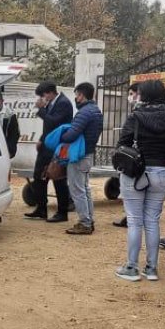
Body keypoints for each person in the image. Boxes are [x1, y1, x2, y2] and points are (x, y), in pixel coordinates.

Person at [114, 80, 165, 282]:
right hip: (161, 171)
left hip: (136, 173)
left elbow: (122, 143)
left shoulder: (135, 116)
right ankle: (151, 268)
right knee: (152, 221)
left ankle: (131, 267)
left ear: (144, 95)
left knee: (134, 220)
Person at [25, 82, 73, 221]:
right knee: (39, 176)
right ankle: (41, 209)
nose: (43, 98)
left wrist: (41, 110)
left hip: (59, 147)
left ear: (50, 92)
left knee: (58, 178)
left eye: (43, 95)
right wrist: (41, 139)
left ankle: (62, 212)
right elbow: (48, 127)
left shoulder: (63, 103)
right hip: (47, 146)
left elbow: (53, 122)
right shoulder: (52, 103)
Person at [61, 82, 104, 235]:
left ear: (82, 95)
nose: (76, 98)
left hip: (79, 155)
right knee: (85, 189)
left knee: (77, 190)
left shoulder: (85, 112)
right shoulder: (96, 110)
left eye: (77, 94)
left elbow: (72, 134)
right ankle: (88, 220)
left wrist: (62, 135)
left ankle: (85, 223)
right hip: (88, 153)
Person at [113, 82, 143, 229]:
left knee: (132, 191)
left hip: (133, 158)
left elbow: (126, 137)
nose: (130, 97)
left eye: (132, 94)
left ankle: (131, 217)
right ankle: (132, 216)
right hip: (145, 159)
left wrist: (119, 150)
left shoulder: (137, 115)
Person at [0, 89, 20, 158]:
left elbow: (14, 135)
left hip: (4, 149)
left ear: (2, 101)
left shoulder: (9, 115)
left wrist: (10, 151)